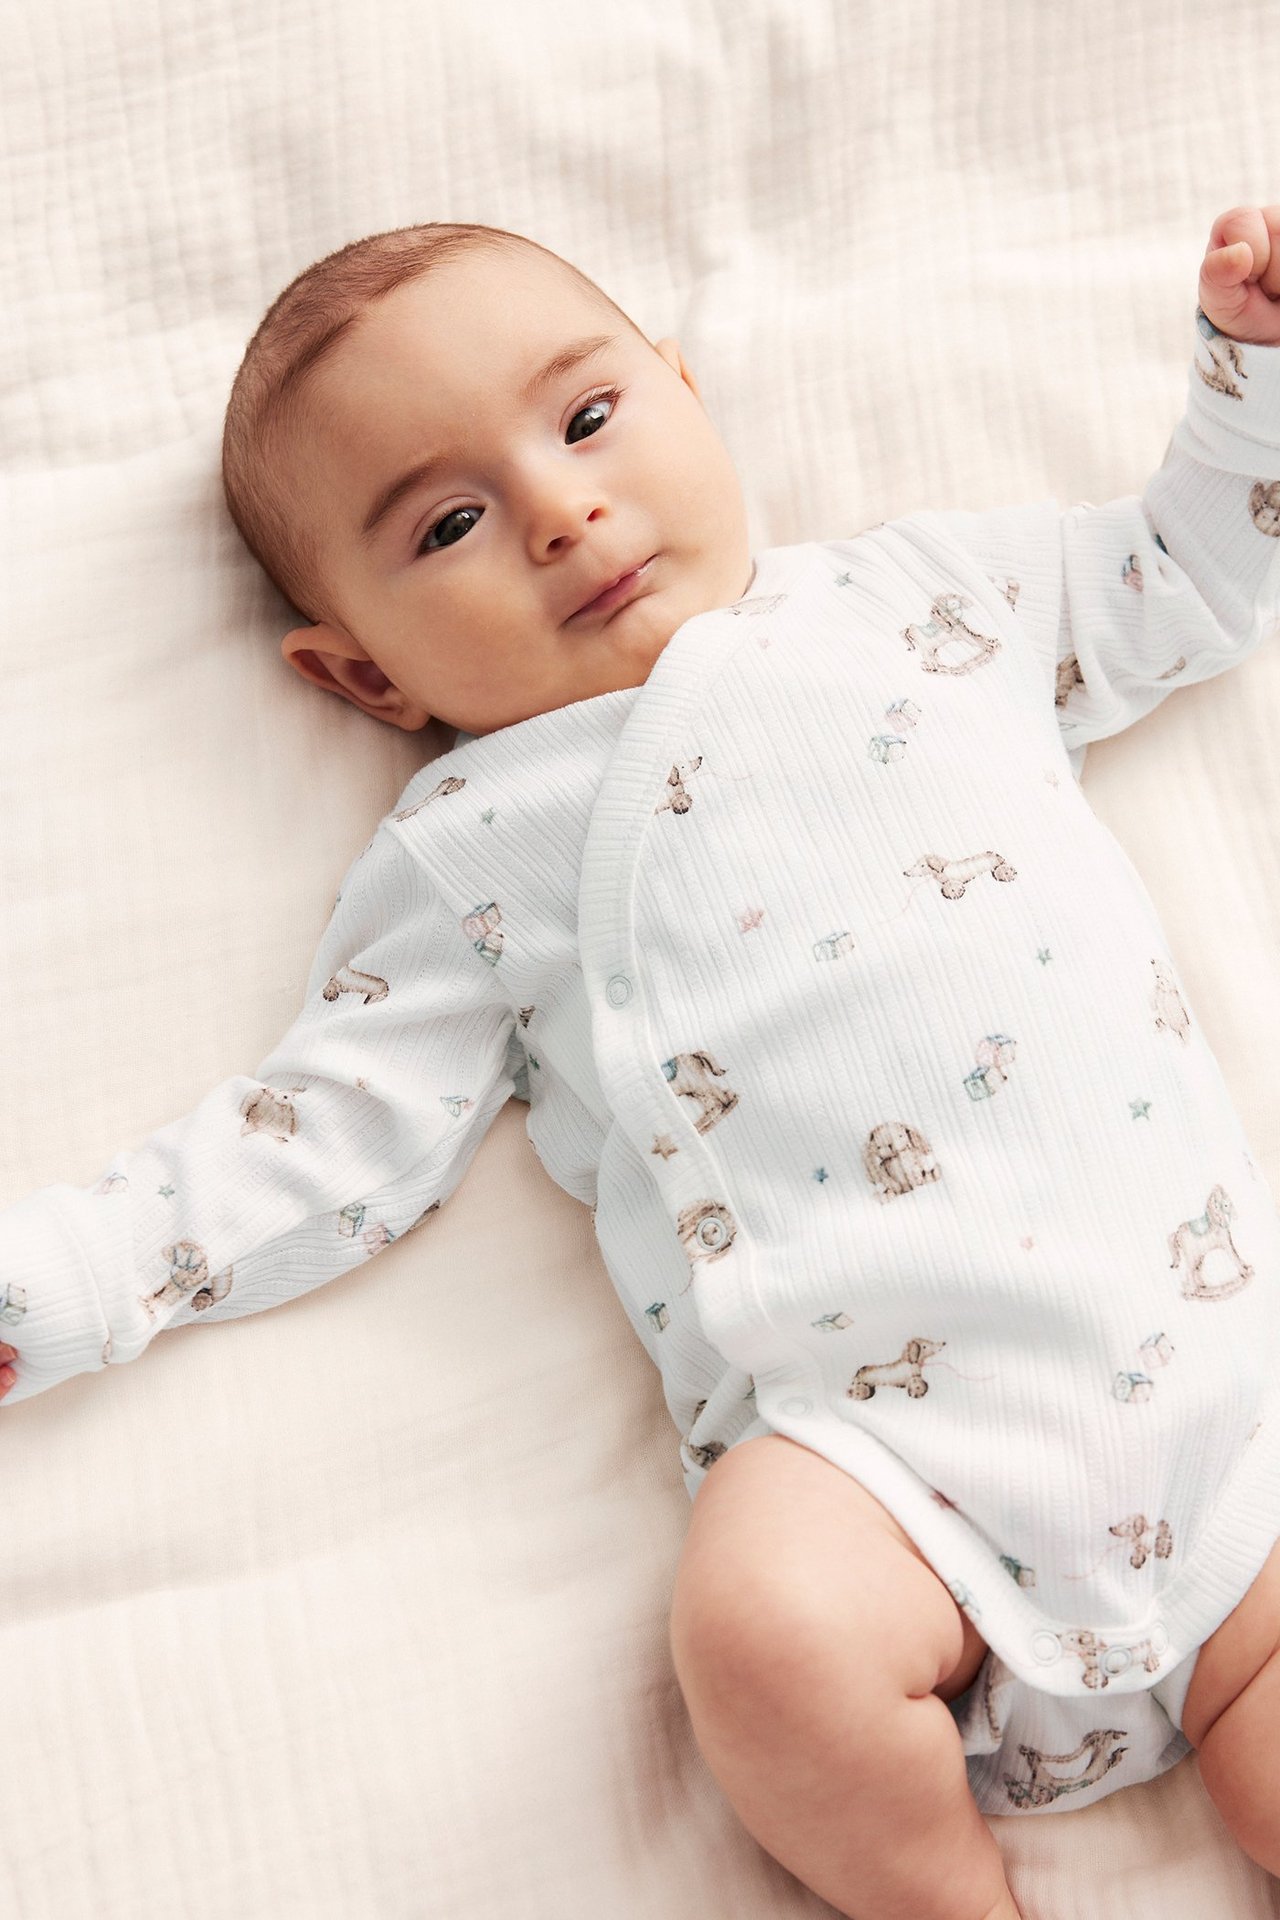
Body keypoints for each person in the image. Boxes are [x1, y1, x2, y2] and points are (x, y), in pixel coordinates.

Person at [4, 210, 1280, 1920]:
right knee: (758, 1626)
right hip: (890, 1488)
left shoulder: (930, 601)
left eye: (589, 419)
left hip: (1223, 1407)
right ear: (362, 673)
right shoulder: (476, 838)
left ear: (688, 392)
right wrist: (61, 1277)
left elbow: (1192, 577)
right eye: (448, 523)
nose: (558, 510)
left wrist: (1249, 373)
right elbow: (317, 1137)